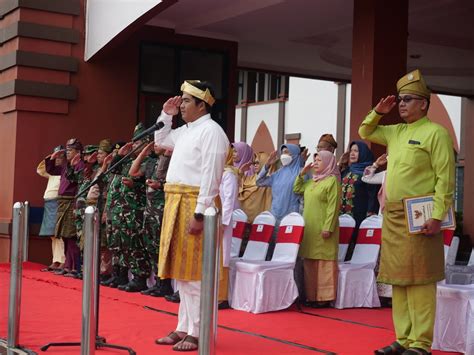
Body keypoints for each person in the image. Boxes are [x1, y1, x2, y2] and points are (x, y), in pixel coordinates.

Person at [359, 69, 455, 355]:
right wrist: (377, 112)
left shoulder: (436, 133)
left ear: (424, 104)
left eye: (408, 99)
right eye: (400, 100)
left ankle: (421, 343)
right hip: (395, 215)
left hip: (421, 215)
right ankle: (403, 339)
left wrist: (437, 216)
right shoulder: (396, 132)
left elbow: (445, 179)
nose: (401, 104)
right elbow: (365, 131)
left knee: (422, 279)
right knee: (398, 279)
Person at [154, 80, 229, 351]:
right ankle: (183, 326)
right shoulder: (186, 130)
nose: (182, 104)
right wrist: (166, 115)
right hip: (176, 201)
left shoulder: (211, 131)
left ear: (202, 104)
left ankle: (198, 331)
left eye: (186, 101)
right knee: (182, 274)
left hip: (195, 204)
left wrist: (201, 212)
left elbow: (211, 175)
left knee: (196, 273)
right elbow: (160, 141)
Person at [294, 151, 341, 308]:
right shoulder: (312, 181)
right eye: (315, 160)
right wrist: (302, 173)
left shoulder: (332, 181)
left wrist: (328, 227)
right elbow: (297, 189)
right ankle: (312, 296)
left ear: (328, 162)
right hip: (310, 229)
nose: (316, 162)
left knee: (323, 263)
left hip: (324, 228)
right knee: (310, 263)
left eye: (319, 160)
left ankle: (324, 297)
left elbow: (333, 207)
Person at [256, 144, 307, 259]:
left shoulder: (301, 173)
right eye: (283, 152)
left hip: (291, 219)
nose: (284, 155)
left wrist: (300, 218)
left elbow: (303, 199)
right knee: (271, 253)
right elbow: (259, 182)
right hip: (274, 219)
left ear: (295, 155)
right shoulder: (278, 173)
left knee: (289, 254)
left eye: (287, 152)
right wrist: (267, 165)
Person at [45, 138, 84, 276]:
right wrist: (52, 157)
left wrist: (76, 205)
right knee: (65, 236)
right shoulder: (66, 165)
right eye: (67, 150)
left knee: (71, 236)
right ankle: (67, 265)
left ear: (78, 152)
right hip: (62, 202)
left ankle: (74, 267)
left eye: (70, 150)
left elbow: (79, 184)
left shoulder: (80, 165)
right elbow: (51, 169)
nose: (67, 153)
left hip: (71, 202)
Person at [218, 146, 240, 309]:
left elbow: (229, 200)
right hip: (211, 219)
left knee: (222, 256)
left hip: (221, 222)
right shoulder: (218, 172)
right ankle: (212, 293)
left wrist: (223, 223)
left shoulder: (229, 174)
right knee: (213, 257)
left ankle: (221, 296)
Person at [37, 145, 65, 272]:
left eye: (60, 156)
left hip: (58, 202)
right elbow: (40, 170)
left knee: (59, 234)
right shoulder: (52, 171)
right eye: (56, 156)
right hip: (49, 203)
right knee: (52, 235)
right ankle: (55, 260)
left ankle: (62, 260)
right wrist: (51, 157)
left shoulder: (64, 171)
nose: (58, 159)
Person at [238, 151, 273, 223]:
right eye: (254, 163)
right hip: (243, 219)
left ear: (264, 162)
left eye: (258, 163)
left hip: (258, 221)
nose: (255, 165)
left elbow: (268, 204)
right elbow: (239, 186)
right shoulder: (250, 178)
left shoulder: (267, 182)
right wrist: (241, 172)